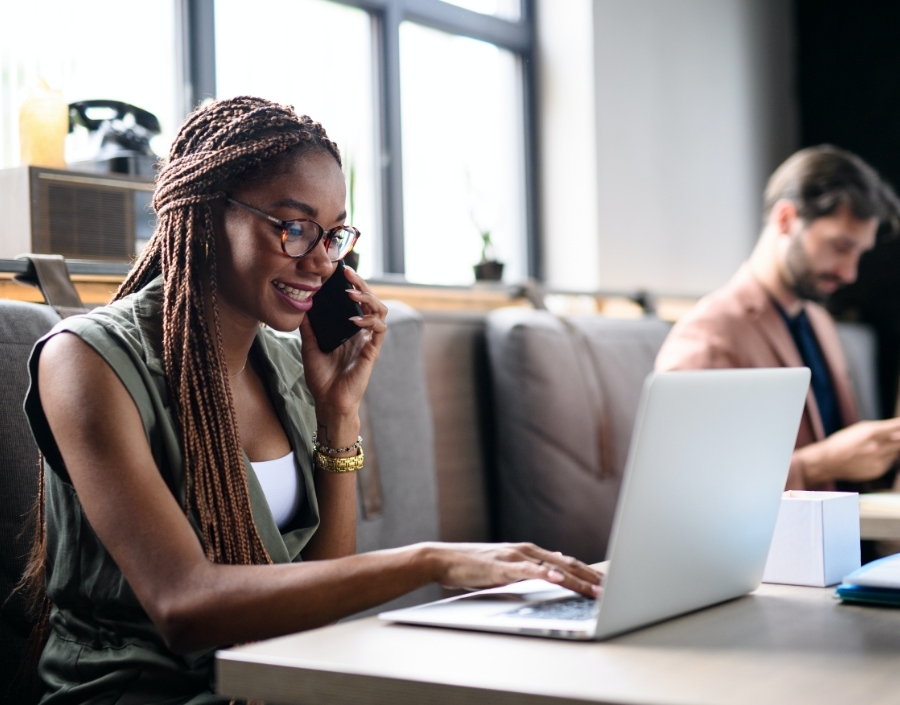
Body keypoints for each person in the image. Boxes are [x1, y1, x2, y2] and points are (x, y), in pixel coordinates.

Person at [20, 97, 602, 704]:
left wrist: (338, 415)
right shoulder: (86, 361)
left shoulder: (282, 363)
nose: (323, 259)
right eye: (294, 227)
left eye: (333, 234)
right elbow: (182, 605)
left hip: (272, 682)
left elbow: (313, 601)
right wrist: (431, 562)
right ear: (204, 215)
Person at [655, 145, 900, 491]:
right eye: (841, 247)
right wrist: (818, 464)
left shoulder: (819, 322)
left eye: (859, 253)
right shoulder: (709, 334)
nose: (850, 273)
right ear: (786, 219)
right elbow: (690, 485)